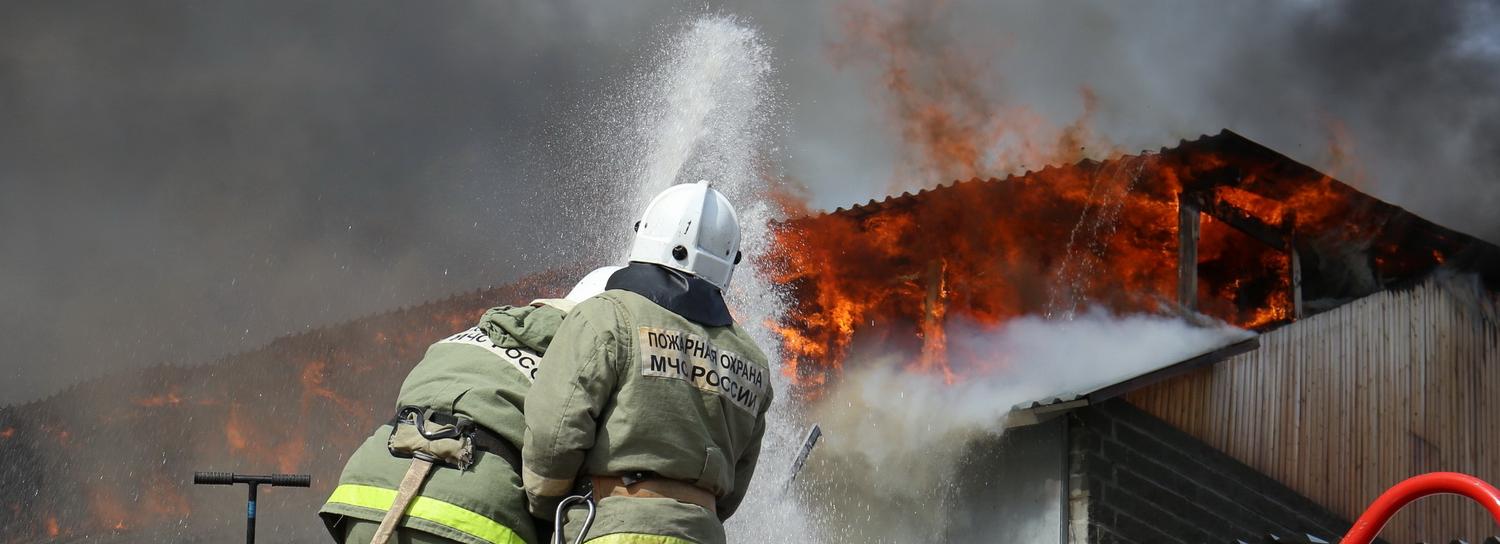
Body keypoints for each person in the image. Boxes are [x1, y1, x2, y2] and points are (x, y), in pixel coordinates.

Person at [522, 181, 774, 544]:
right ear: (729, 261)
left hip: (612, 528)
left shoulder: (605, 316)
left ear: (646, 233)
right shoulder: (754, 362)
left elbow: (554, 435)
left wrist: (547, 511)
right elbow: (733, 489)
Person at [320, 266, 622, 544]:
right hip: (470, 512)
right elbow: (562, 457)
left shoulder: (463, 337)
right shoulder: (590, 357)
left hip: (366, 496)